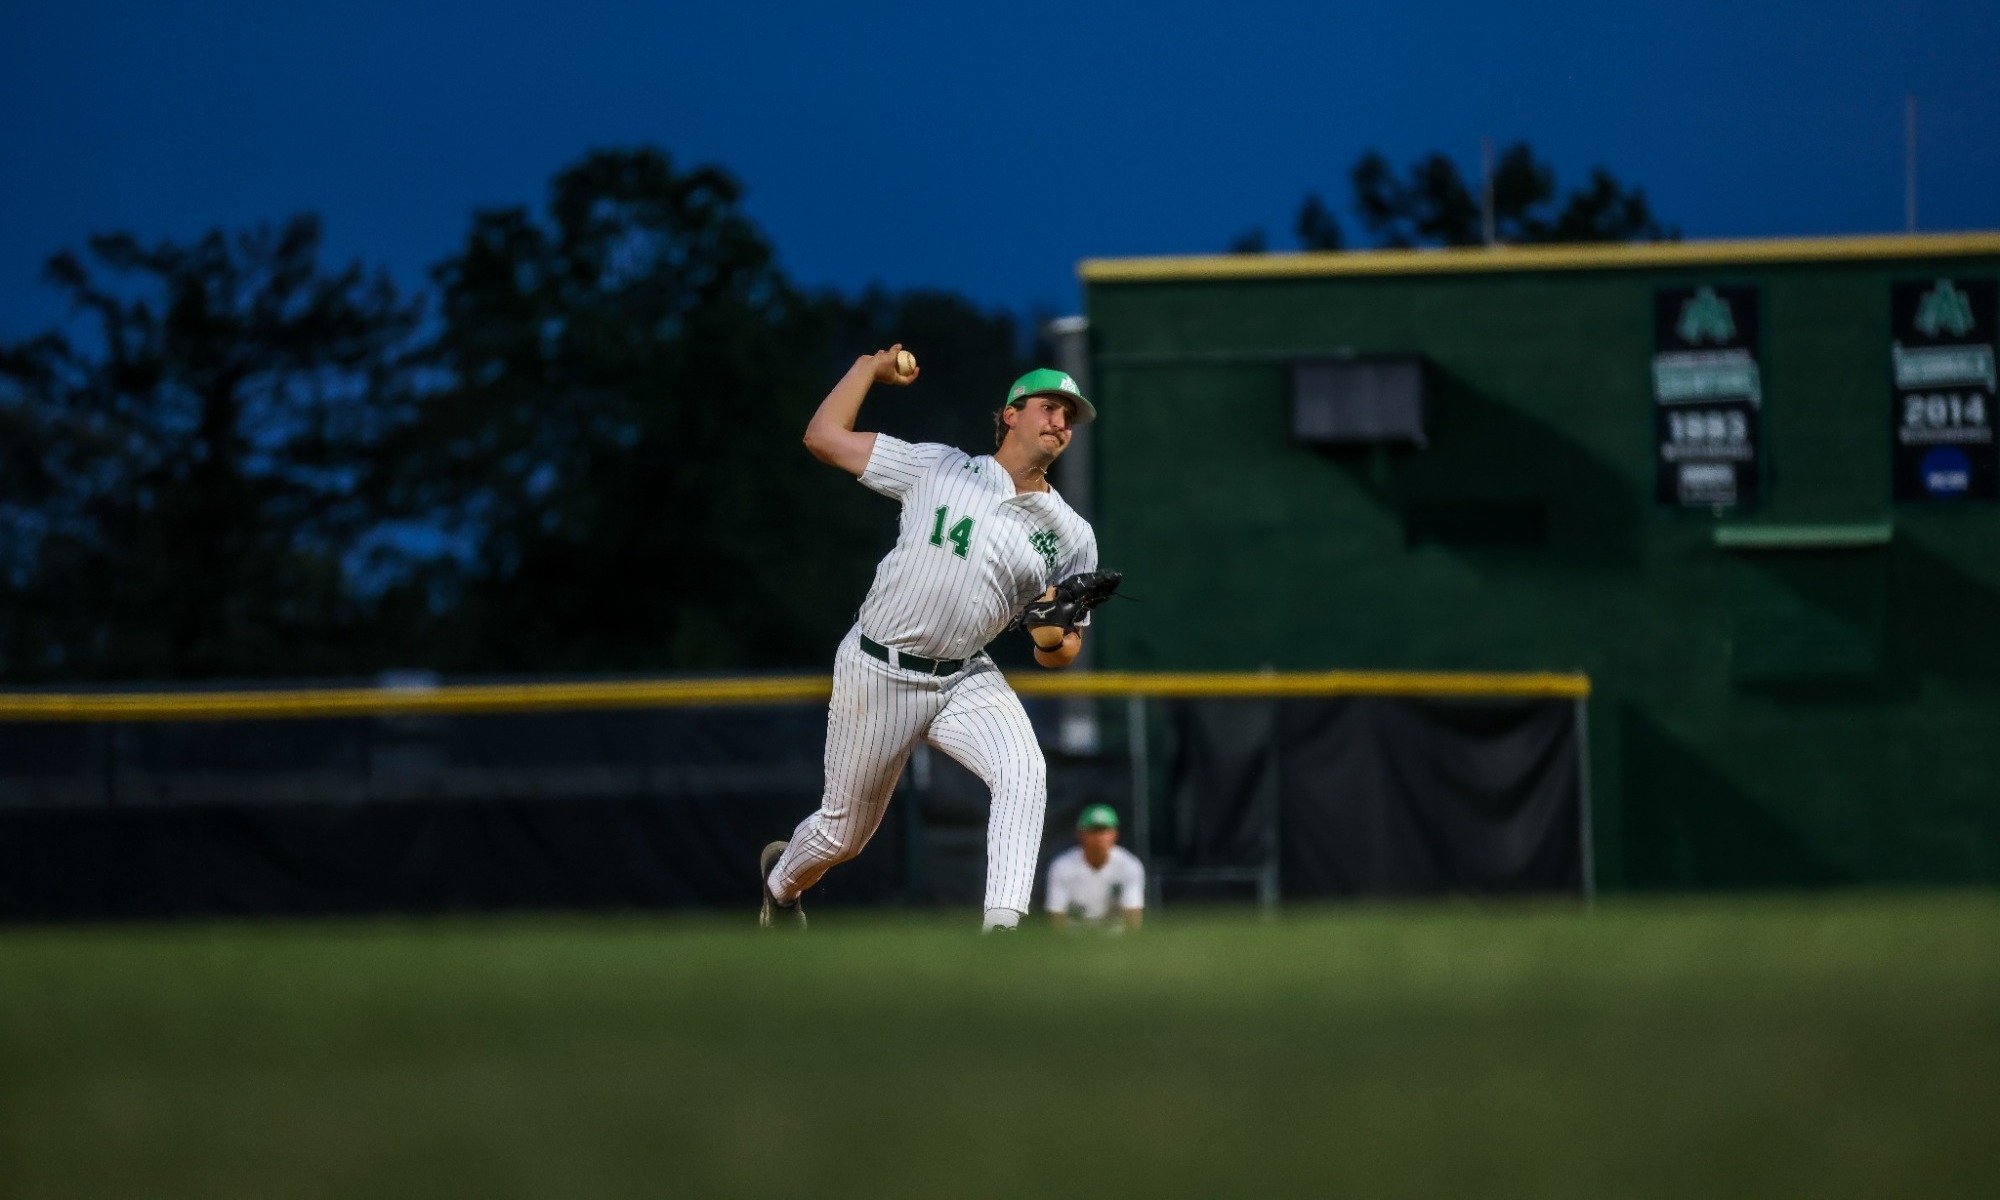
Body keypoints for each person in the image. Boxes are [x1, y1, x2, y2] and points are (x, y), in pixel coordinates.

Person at [759, 345, 1100, 932]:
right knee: (843, 836)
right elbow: (823, 438)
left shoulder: (1072, 534)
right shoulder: (940, 467)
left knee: (1024, 771)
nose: (1060, 422)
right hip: (878, 669)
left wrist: (1051, 639)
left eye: (1069, 416)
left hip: (965, 675)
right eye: (1049, 407)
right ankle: (780, 884)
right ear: (1011, 414)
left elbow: (1064, 652)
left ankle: (1002, 931)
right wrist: (867, 369)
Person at [1045, 804, 1145, 933]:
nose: (1099, 837)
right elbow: (1056, 913)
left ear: (1115, 834)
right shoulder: (1062, 866)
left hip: (1115, 935)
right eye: (1093, 831)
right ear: (1080, 834)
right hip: (1075, 934)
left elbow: (1133, 912)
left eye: (1104, 831)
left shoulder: (1129, 865)